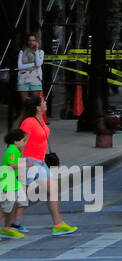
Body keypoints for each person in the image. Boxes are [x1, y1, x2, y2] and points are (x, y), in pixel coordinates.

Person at [13, 98, 76, 236]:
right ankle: (12, 225)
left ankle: (58, 225)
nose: (46, 103)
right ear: (37, 107)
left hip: (40, 162)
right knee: (21, 195)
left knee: (52, 189)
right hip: (29, 161)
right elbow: (21, 143)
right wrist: (22, 163)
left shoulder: (40, 120)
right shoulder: (28, 122)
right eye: (43, 102)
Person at [0, 126, 27, 238]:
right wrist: (26, 165)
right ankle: (7, 228)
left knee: (20, 202)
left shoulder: (15, 149)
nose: (25, 143)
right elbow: (11, 165)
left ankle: (9, 227)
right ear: (16, 141)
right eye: (23, 140)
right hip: (7, 183)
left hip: (14, 182)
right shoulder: (12, 150)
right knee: (5, 208)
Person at [15, 33, 44, 105]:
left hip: (35, 79)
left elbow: (39, 64)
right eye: (30, 40)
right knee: (25, 104)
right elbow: (20, 66)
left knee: (36, 104)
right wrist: (33, 64)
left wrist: (36, 50)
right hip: (23, 79)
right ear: (27, 41)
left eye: (33, 40)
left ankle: (33, 116)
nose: (31, 42)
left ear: (37, 41)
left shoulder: (40, 52)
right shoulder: (22, 51)